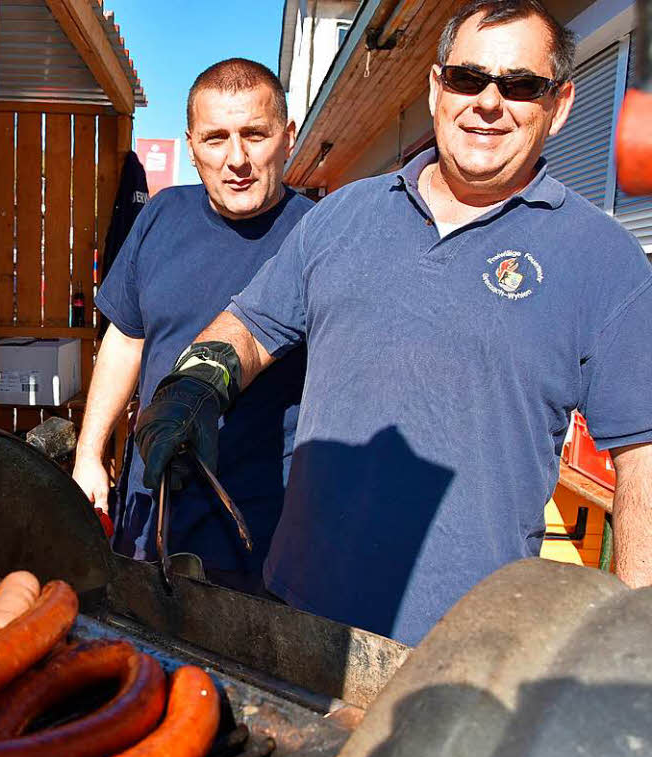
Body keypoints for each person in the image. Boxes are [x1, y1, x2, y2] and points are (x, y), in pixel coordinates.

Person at [134, 0, 652, 645]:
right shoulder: (342, 216)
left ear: (561, 103)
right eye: (468, 78)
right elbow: (249, 325)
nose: (489, 102)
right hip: (297, 606)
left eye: (520, 86)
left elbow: (643, 456)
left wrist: (632, 643)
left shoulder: (604, 259)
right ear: (437, 87)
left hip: (471, 639)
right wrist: (192, 386)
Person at [72, 58, 314, 593]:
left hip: (262, 518)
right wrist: (90, 454)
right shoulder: (160, 216)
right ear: (190, 145)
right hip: (152, 501)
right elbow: (126, 339)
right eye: (215, 138)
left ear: (288, 136)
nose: (237, 159)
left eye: (255, 134)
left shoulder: (318, 235)